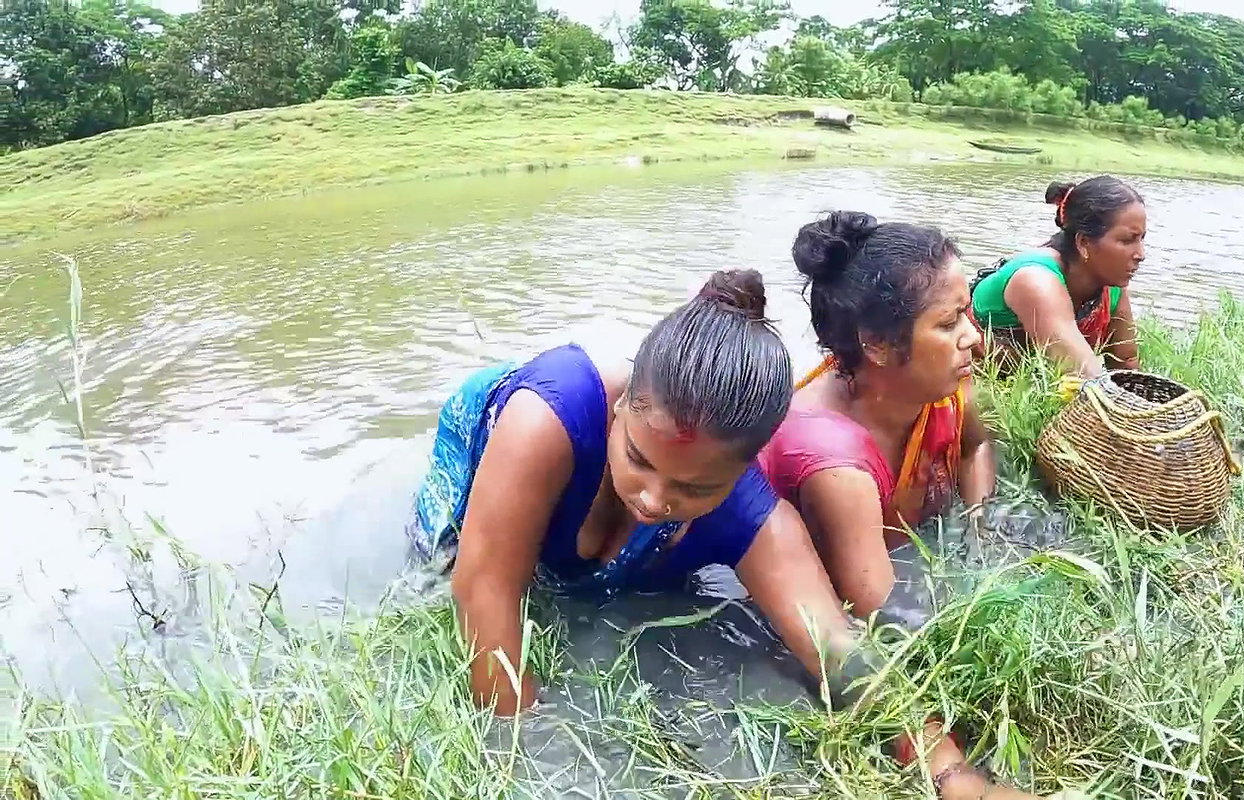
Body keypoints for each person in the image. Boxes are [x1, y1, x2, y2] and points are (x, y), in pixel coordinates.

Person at [406, 269, 1042, 800]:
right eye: (640, 460)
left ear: (747, 468)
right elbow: (486, 585)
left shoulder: (750, 510)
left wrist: (951, 772)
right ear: (625, 405)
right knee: (447, 569)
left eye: (694, 489)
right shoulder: (551, 416)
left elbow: (835, 645)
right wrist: (525, 752)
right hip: (488, 445)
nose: (655, 499)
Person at [758, 211, 996, 620]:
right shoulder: (832, 462)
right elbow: (882, 617)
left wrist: (978, 523)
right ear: (877, 345)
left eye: (966, 312)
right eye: (947, 322)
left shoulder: (943, 383)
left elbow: (977, 446)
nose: (974, 337)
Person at [969, 176, 1146, 378]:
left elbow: (1126, 365)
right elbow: (1082, 373)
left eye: (1141, 239)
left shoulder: (1112, 285)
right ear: (1084, 242)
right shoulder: (1035, 279)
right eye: (1127, 240)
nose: (1141, 254)